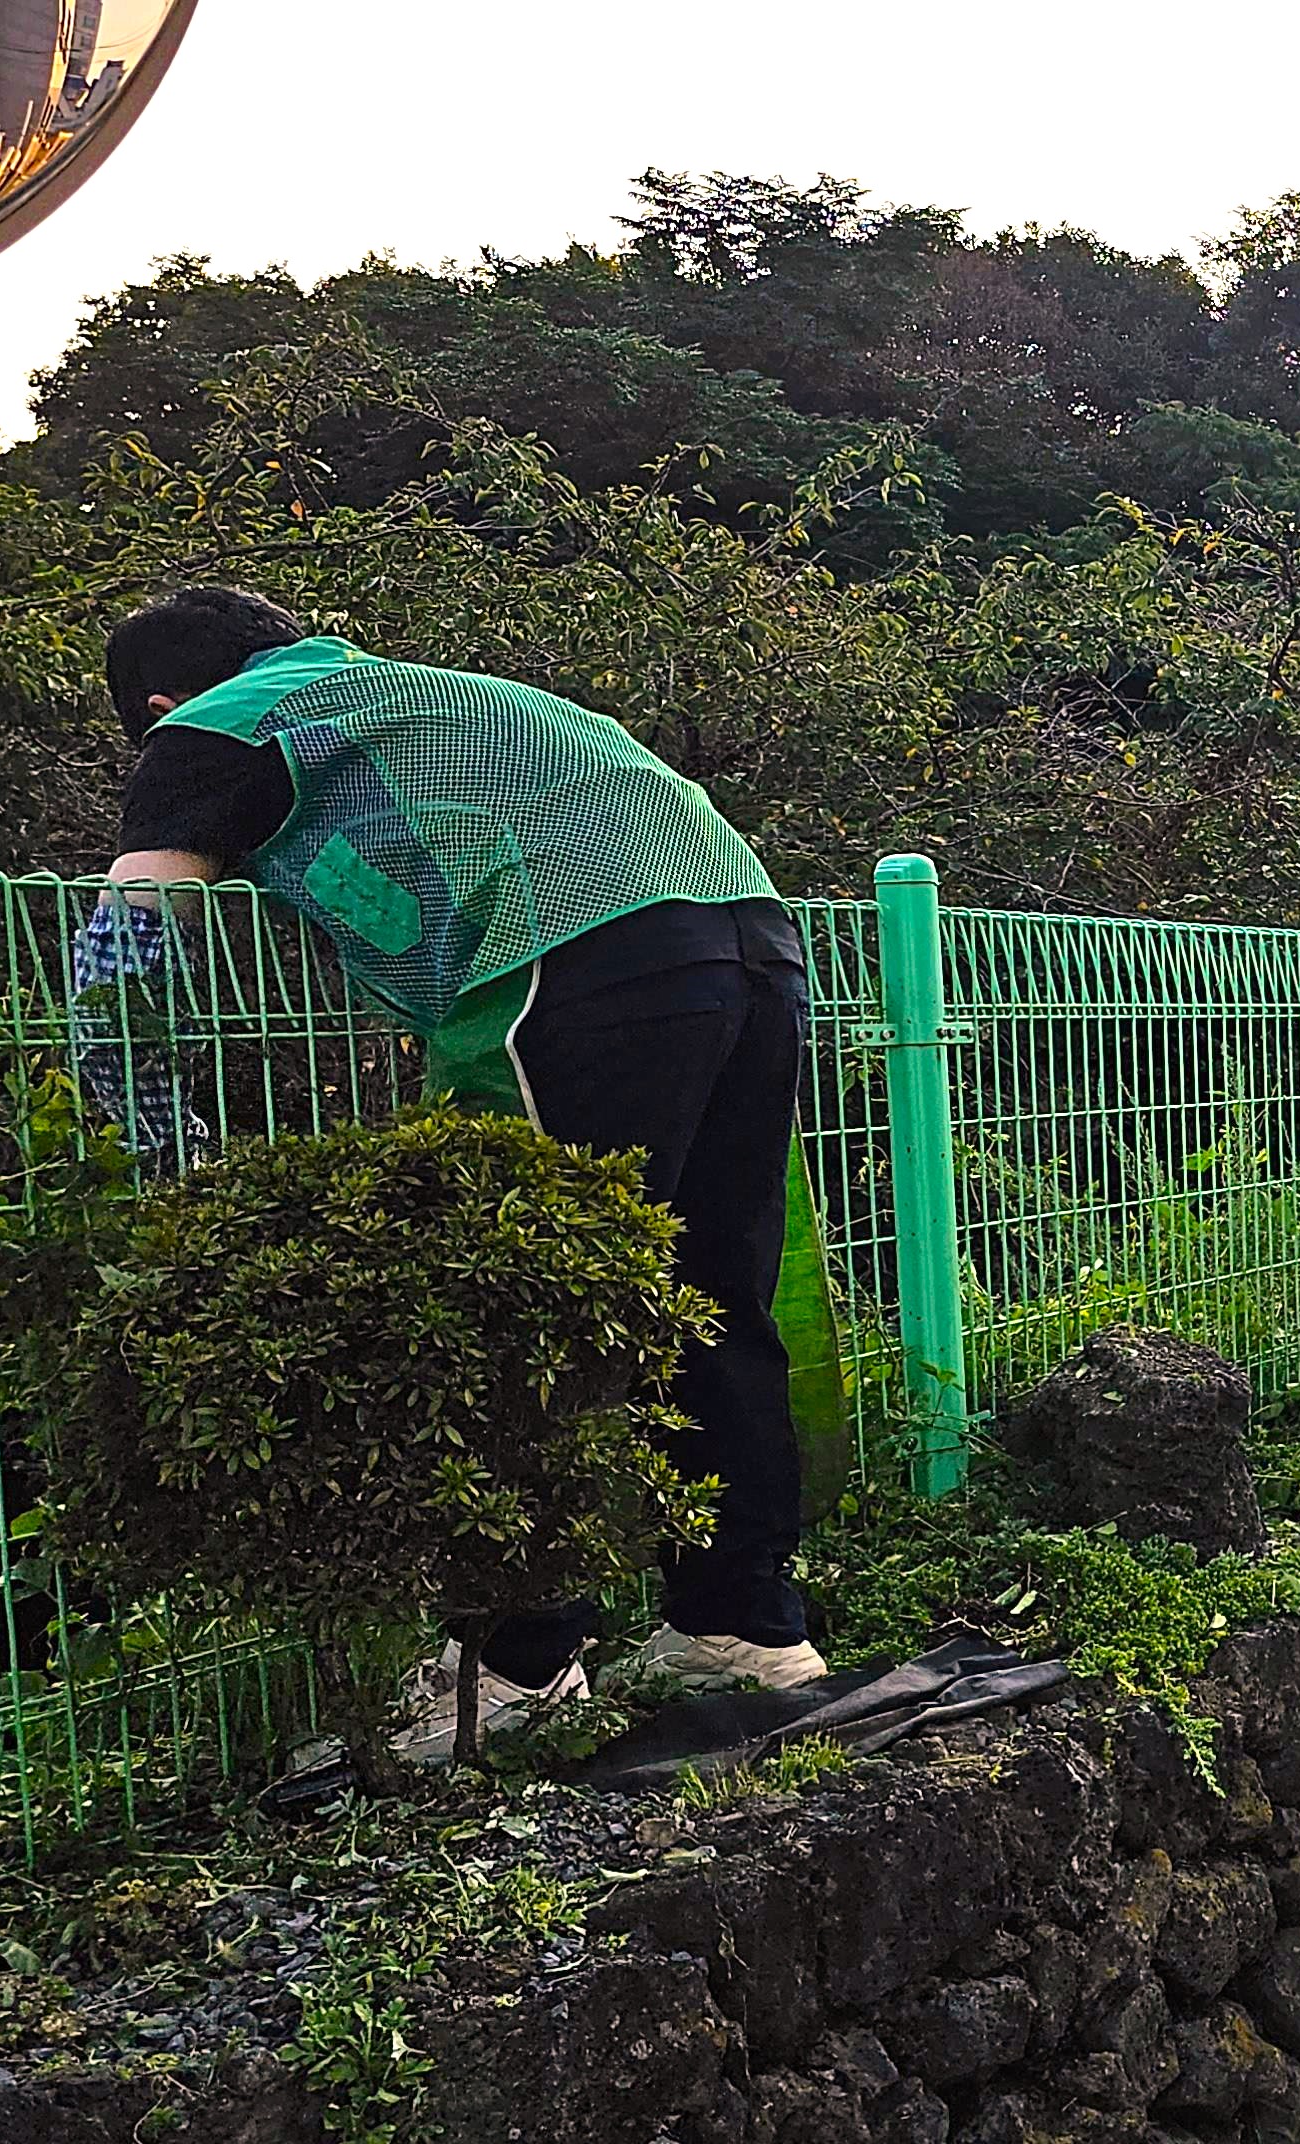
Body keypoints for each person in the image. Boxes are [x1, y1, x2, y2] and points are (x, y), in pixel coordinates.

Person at [79, 587, 828, 1760]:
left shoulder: (211, 726)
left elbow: (125, 938)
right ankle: (739, 1627)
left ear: (162, 705)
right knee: (705, 1296)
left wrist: (146, 1138)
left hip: (571, 958)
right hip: (750, 933)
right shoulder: (409, 694)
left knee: (517, 1303)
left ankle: (519, 1663)